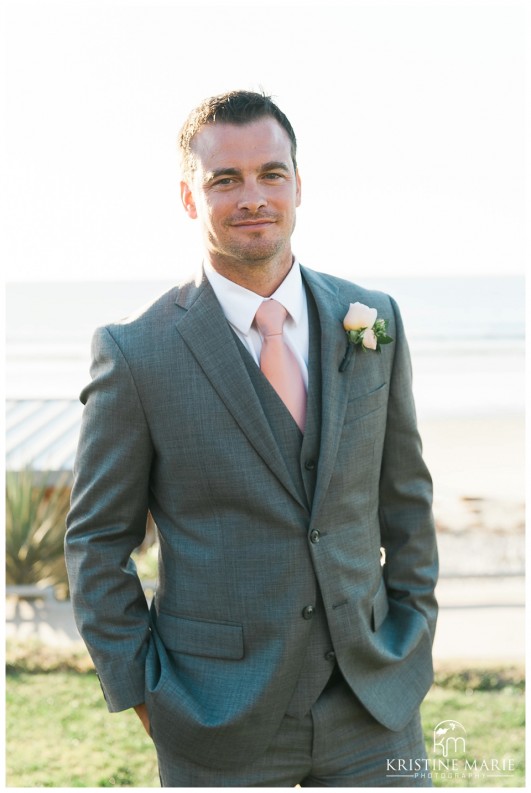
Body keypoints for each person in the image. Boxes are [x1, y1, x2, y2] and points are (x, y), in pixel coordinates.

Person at [65, 89, 438, 787]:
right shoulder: (135, 352)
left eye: (270, 173)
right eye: (224, 180)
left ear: (298, 184)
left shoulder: (372, 319)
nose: (252, 197)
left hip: (373, 704)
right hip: (215, 717)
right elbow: (94, 542)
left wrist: (412, 627)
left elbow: (405, 497)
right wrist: (147, 692)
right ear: (188, 198)